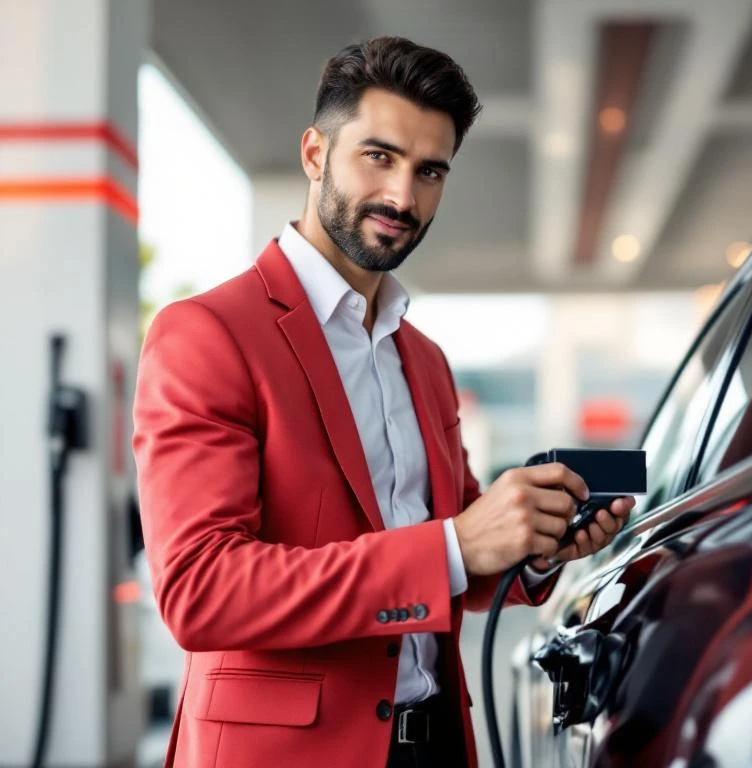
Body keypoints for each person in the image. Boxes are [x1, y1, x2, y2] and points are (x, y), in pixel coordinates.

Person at [132, 37, 635, 768]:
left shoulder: (423, 358)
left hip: (434, 743)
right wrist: (454, 546)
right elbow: (201, 590)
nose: (403, 197)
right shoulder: (208, 334)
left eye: (430, 171)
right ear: (315, 154)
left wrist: (532, 546)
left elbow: (455, 553)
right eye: (379, 157)